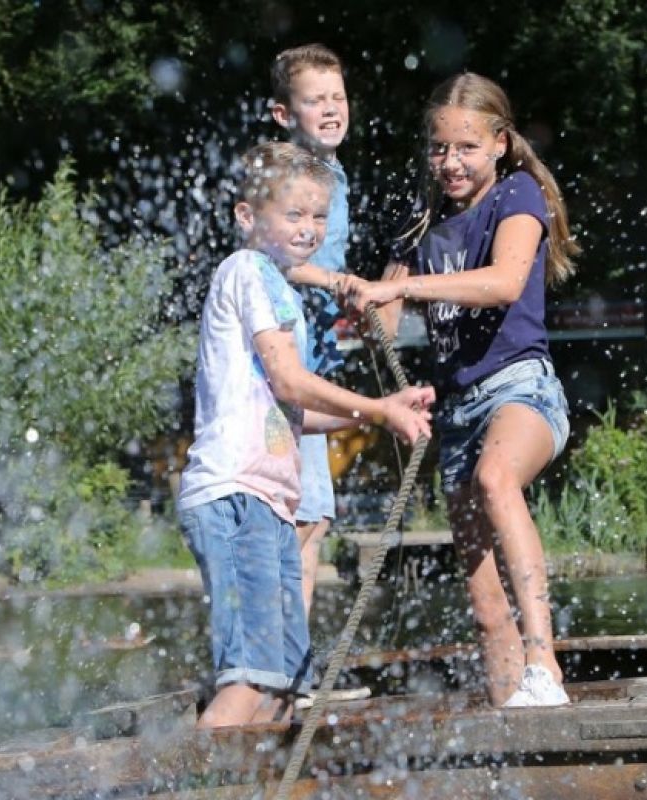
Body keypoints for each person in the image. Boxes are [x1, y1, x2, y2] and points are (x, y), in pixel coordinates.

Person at [339, 72, 580, 708]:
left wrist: (405, 288)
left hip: (521, 390)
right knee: (481, 601)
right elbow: (382, 330)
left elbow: (503, 282)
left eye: (466, 147)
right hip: (457, 413)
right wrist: (366, 302)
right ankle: (512, 725)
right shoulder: (422, 225)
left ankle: (544, 664)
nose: (451, 162)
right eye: (439, 148)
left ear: (499, 143)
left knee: (497, 480)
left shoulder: (518, 197)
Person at [178, 141, 434, 728]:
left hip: (265, 502)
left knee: (280, 688)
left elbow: (292, 412)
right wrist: (378, 405)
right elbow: (292, 383)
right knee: (247, 683)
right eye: (294, 214)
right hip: (233, 496)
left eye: (319, 216)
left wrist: (379, 410)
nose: (309, 228)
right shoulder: (247, 271)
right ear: (248, 216)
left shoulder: (276, 285)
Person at [267, 43, 351, 614]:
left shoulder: (331, 172)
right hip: (288, 372)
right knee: (300, 518)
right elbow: (268, 257)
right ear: (283, 114)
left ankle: (287, 664)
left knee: (311, 517)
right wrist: (334, 281)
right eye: (314, 99)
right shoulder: (289, 175)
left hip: (313, 362)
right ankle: (277, 667)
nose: (330, 108)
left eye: (338, 97)